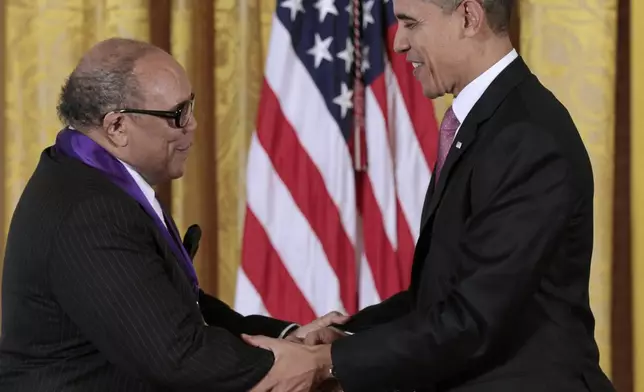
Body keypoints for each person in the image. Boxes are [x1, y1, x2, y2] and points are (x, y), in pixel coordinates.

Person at [242, 0, 618, 391]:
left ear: (469, 17)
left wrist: (326, 363)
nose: (400, 43)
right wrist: (346, 336)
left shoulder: (526, 137)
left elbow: (472, 320)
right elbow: (439, 297)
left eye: (410, 24)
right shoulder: (490, 123)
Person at [0, 37, 346, 391]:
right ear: (117, 126)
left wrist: (288, 338)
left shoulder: (87, 174)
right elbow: (177, 355)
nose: (193, 125)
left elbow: (168, 301)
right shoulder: (90, 211)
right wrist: (316, 364)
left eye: (191, 106)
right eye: (177, 114)